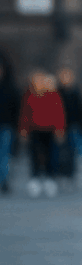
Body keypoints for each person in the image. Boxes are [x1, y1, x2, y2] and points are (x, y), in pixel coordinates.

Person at [18, 71, 66, 197]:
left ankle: (50, 179)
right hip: (34, 130)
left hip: (50, 130)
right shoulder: (29, 95)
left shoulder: (53, 94)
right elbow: (24, 114)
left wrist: (60, 129)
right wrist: (23, 130)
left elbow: (59, 113)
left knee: (51, 155)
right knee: (34, 155)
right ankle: (35, 179)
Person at [55, 67, 82, 182]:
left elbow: (80, 109)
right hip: (60, 125)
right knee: (60, 150)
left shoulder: (76, 92)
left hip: (73, 125)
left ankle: (71, 173)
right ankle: (60, 172)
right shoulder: (57, 92)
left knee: (72, 150)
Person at [0, 56, 20, 192]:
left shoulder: (10, 87)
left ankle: (4, 180)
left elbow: (16, 108)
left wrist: (17, 126)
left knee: (4, 155)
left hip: (6, 126)